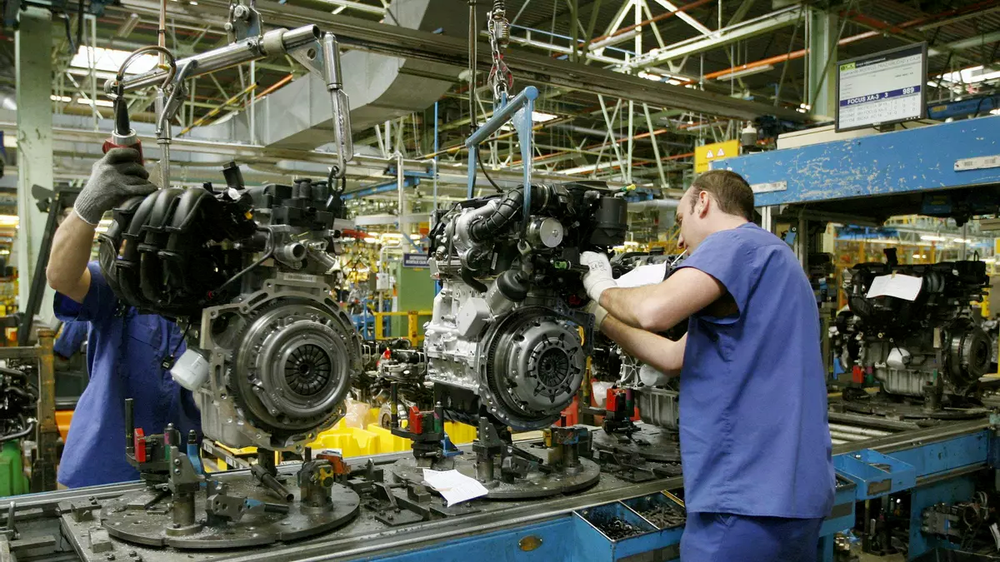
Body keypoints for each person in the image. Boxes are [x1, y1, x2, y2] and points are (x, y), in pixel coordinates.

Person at [581, 169, 834, 562]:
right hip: (795, 496)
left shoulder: (737, 244)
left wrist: (600, 284)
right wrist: (599, 316)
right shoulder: (775, 260)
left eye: (680, 220)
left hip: (746, 499)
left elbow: (653, 311)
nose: (681, 241)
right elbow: (673, 357)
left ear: (703, 202)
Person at [46, 148, 201, 488]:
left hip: (182, 471)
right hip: (100, 470)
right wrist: (88, 206)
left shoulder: (209, 300)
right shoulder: (118, 285)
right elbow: (61, 277)